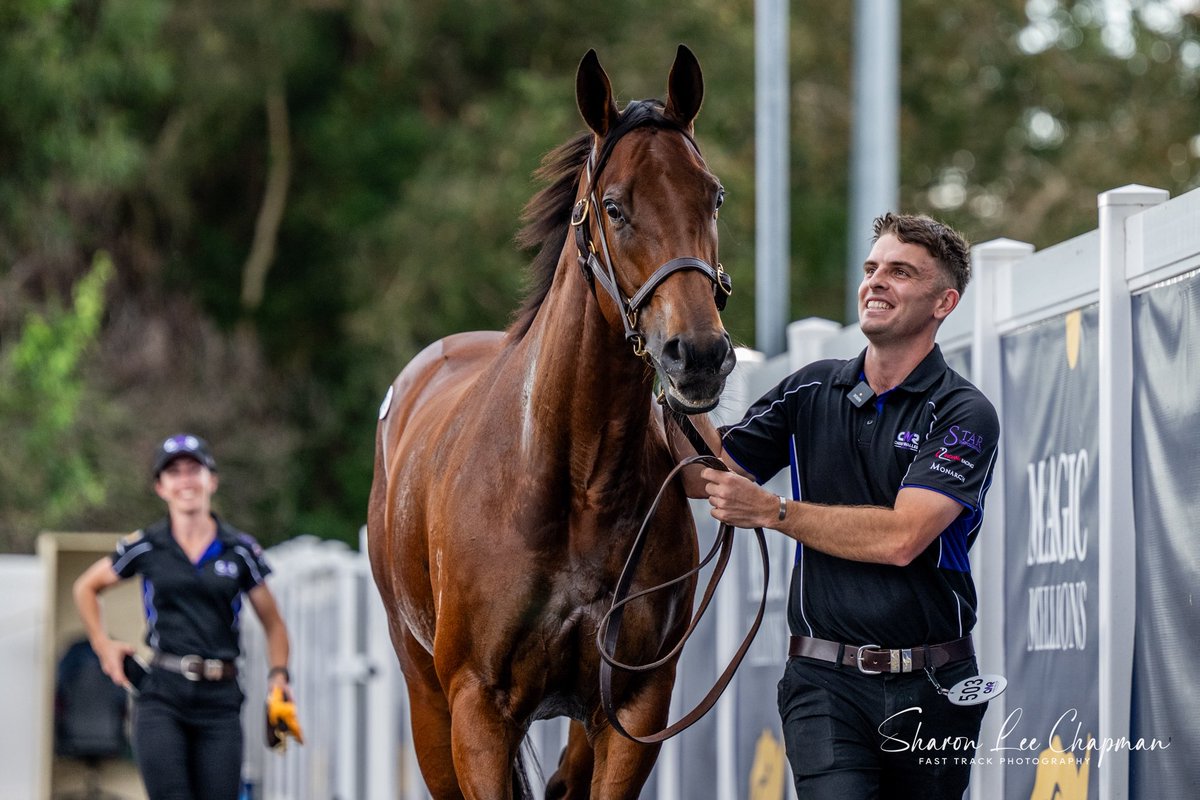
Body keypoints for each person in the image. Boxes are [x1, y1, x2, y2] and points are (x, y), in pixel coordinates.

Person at [677, 212, 999, 798]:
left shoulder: (963, 412)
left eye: (901, 272)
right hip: (822, 683)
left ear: (943, 302)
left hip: (936, 683)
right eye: (872, 267)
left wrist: (774, 511)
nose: (876, 281)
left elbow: (903, 539)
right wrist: (688, 381)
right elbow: (703, 474)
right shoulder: (810, 387)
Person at [73, 433, 296, 800]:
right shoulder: (146, 545)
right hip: (162, 695)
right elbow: (86, 587)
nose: (185, 480)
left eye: (194, 469)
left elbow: (274, 625)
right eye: (174, 472)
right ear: (161, 487)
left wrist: (279, 677)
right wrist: (102, 645)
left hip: (221, 700)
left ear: (212, 480)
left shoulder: (240, 550)